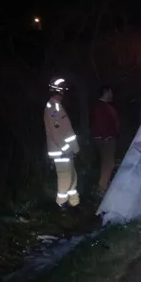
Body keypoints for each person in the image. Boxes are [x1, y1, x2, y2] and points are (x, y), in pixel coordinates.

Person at [44, 77, 80, 208]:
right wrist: (66, 149)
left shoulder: (57, 106)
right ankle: (61, 204)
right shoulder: (52, 107)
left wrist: (73, 148)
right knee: (65, 177)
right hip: (61, 151)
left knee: (72, 176)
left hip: (66, 150)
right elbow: (56, 133)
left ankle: (74, 203)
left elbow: (65, 130)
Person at [91, 85, 120, 196]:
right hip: (106, 139)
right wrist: (106, 136)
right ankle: (102, 188)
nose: (112, 95)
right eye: (110, 92)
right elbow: (100, 123)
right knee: (109, 163)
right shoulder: (101, 107)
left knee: (106, 162)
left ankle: (103, 185)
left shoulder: (103, 106)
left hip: (105, 138)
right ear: (106, 92)